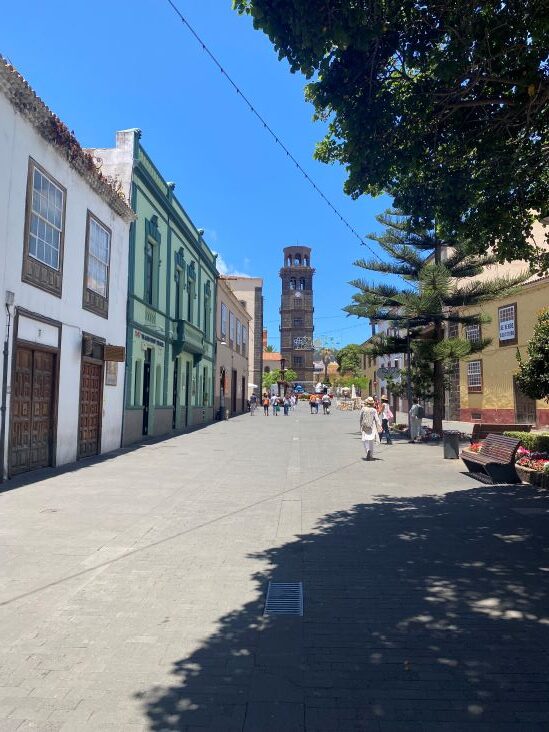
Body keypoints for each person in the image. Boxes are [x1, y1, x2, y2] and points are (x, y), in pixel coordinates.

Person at [360, 396, 382, 461]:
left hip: (365, 427)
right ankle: (371, 455)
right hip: (372, 427)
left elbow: (360, 418)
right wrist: (380, 426)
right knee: (371, 441)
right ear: (372, 403)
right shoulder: (374, 410)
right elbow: (377, 419)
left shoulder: (363, 409)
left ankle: (367, 451)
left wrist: (360, 427)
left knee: (365, 440)